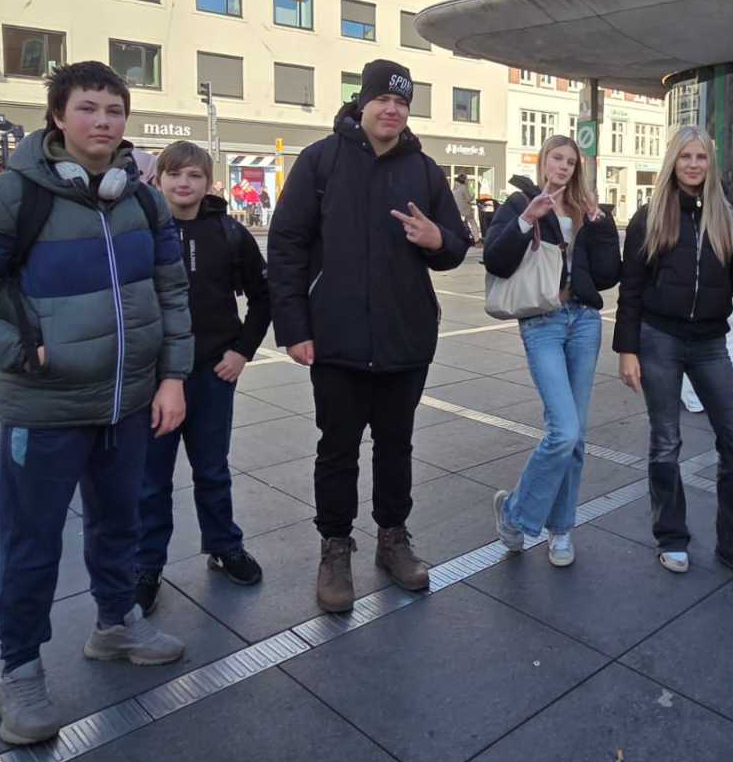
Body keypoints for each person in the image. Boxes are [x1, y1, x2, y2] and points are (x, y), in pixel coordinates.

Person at [0, 62, 192, 745]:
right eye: (88, 108)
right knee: (31, 543)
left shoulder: (144, 200)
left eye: (114, 110)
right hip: (43, 409)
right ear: (58, 117)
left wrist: (172, 378)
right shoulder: (11, 196)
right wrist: (21, 352)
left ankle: (115, 625)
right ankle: (19, 673)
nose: (103, 121)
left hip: (127, 403)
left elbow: (171, 294)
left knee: (119, 524)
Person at [268, 59, 471, 607]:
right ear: (362, 102)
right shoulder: (320, 161)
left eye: (402, 103)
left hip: (406, 336)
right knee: (337, 449)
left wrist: (437, 240)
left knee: (396, 445)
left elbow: (455, 245)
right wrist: (294, 328)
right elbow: (285, 246)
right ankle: (335, 547)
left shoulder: (425, 171)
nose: (392, 110)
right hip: (336, 337)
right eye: (383, 99)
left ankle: (392, 539)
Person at [614, 125, 733, 578]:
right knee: (666, 442)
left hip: (710, 342)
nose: (693, 164)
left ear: (710, 163)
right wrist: (627, 349)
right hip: (659, 339)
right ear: (673, 161)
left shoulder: (731, 213)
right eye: (685, 156)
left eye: (700, 157)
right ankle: (671, 536)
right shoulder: (650, 216)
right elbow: (631, 288)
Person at [134, 141, 271, 614]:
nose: (183, 183)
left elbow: (264, 296)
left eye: (193, 175)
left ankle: (224, 545)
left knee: (212, 469)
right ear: (157, 180)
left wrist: (242, 351)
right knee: (151, 479)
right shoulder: (139, 231)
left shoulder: (230, 233)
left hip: (213, 372)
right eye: (174, 174)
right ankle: (146, 563)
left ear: (208, 182)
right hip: (153, 378)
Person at [486, 136, 620, 566]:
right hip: (542, 321)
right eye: (556, 158)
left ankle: (560, 530)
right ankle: (515, 513)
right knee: (563, 430)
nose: (563, 166)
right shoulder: (518, 202)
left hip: (584, 321)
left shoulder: (583, 209)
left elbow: (607, 275)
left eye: (570, 162)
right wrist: (527, 218)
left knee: (576, 436)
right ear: (543, 160)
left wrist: (600, 225)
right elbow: (496, 260)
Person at [681, 183, 733, 419]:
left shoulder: (687, 209)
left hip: (694, 287)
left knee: (690, 342)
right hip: (729, 287)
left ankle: (694, 398)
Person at [453, 172, 481, 244]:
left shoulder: (454, 188)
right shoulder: (463, 187)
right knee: (473, 224)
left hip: (458, 210)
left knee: (462, 224)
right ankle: (477, 240)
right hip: (466, 209)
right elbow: (468, 199)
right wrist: (473, 196)